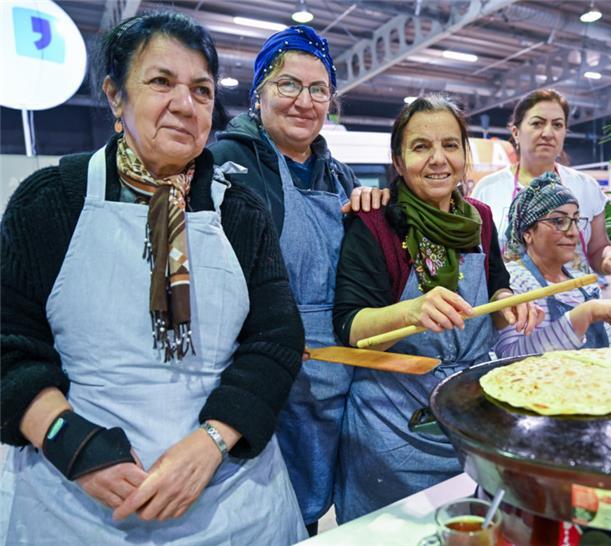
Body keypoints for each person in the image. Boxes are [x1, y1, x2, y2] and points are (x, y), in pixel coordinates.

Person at [0, 13, 306, 544]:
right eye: (161, 82)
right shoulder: (52, 200)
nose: (185, 105)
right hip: (75, 508)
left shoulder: (238, 211)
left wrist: (213, 440)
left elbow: (276, 339)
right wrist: (68, 439)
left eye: (202, 90)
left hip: (231, 505)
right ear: (115, 97)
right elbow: (8, 342)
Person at [208, 24, 389, 533]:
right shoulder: (224, 165)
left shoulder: (341, 176)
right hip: (262, 371)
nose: (304, 101)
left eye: (319, 89)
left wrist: (376, 215)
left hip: (335, 373)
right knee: (261, 516)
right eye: (288, 84)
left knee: (311, 510)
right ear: (259, 91)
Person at [332, 95, 543, 523]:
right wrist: (411, 312)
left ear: (465, 154)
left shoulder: (480, 219)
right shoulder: (375, 222)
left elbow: (496, 286)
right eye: (421, 147)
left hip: (468, 414)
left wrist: (508, 306)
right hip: (392, 428)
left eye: (450, 145)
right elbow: (350, 326)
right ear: (398, 159)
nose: (438, 159)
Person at [471, 89, 611, 276]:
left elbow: (597, 248)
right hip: (510, 295)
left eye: (557, 125)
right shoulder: (488, 190)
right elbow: (477, 256)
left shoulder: (586, 187)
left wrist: (610, 259)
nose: (548, 133)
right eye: (537, 123)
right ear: (516, 132)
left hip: (578, 294)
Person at [496, 173, 611, 357]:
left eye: (576, 220)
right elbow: (509, 358)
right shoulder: (512, 282)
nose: (573, 232)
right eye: (559, 221)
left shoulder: (584, 283)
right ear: (527, 232)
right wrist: (586, 314)